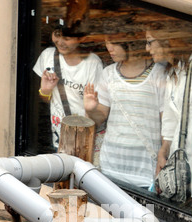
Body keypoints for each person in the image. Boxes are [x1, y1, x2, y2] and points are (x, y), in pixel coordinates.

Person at [84, 35, 166, 189]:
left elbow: (166, 122)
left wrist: (164, 156)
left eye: (114, 42)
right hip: (111, 166)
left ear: (131, 42)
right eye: (107, 42)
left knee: (145, 213)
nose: (109, 48)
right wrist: (90, 110)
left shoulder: (158, 73)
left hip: (146, 170)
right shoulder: (108, 73)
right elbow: (100, 117)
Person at [146, 31, 192, 198]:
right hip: (181, 154)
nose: (147, 49)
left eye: (150, 42)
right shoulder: (172, 73)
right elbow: (170, 118)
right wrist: (164, 151)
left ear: (166, 39)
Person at [33, 20, 103, 151]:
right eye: (57, 35)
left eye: (66, 38)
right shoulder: (48, 56)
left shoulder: (92, 64)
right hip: (59, 137)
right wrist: (45, 91)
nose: (59, 42)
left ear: (81, 38)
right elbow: (45, 100)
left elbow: (99, 110)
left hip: (84, 137)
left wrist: (90, 110)